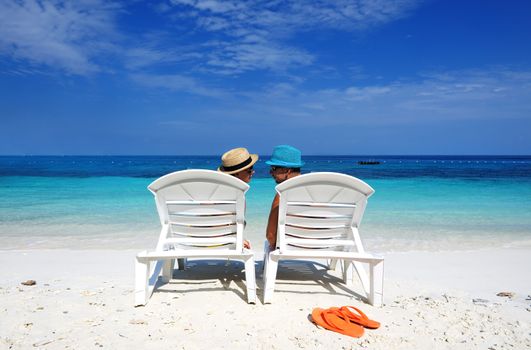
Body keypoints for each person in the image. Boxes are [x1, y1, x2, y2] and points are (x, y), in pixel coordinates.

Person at [265, 145, 305, 250]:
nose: (270, 172)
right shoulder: (318, 190)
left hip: (290, 247)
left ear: (287, 170)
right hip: (322, 246)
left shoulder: (282, 194)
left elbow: (271, 236)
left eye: (273, 168)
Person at [218, 147, 258, 249]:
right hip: (222, 242)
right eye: (249, 170)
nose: (253, 172)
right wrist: (238, 239)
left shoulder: (215, 192)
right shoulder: (238, 196)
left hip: (197, 241)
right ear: (236, 173)